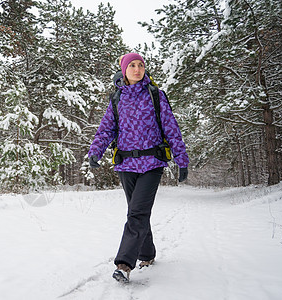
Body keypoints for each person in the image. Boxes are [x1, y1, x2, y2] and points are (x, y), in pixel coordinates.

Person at [88, 52, 189, 282]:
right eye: (132, 65)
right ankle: (147, 253)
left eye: (140, 65)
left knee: (137, 213)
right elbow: (106, 129)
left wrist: (182, 159)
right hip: (126, 164)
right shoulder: (117, 98)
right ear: (124, 70)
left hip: (152, 163)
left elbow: (171, 128)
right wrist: (95, 151)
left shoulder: (156, 95)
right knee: (137, 212)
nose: (137, 69)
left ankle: (124, 264)